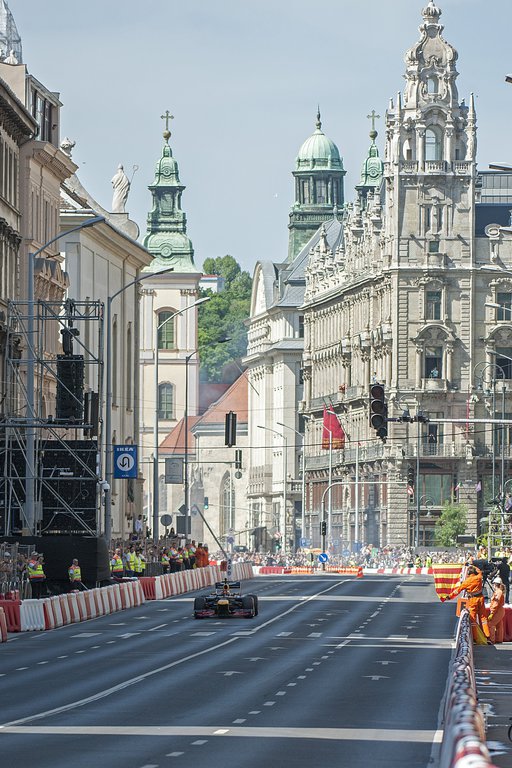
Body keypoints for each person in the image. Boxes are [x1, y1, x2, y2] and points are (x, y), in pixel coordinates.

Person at [441, 565, 490, 642]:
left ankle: (475, 638)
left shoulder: (467, 581)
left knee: (473, 619)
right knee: (483, 618)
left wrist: (449, 597)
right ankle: (487, 636)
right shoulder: (479, 577)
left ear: (468, 573)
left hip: (473, 600)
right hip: (481, 599)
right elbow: (479, 571)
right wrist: (472, 565)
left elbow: (458, 590)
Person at [487, 577, 506, 644]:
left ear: (495, 584)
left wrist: (492, 612)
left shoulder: (498, 592)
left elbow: (495, 603)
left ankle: (491, 640)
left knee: (491, 624)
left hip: (497, 611)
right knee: (499, 625)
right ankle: (499, 639)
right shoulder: (499, 592)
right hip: (500, 610)